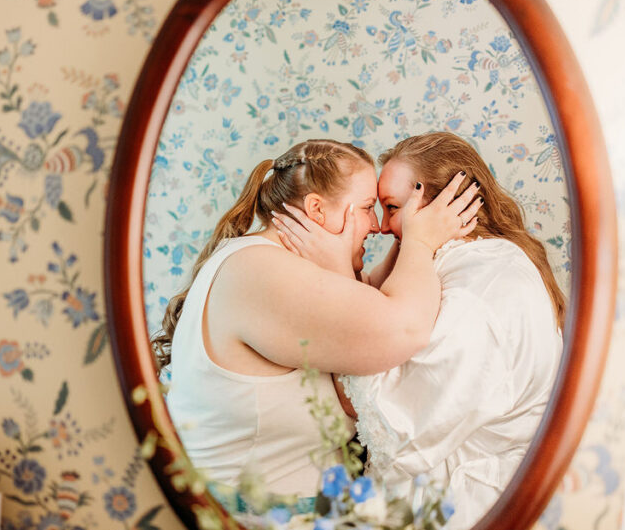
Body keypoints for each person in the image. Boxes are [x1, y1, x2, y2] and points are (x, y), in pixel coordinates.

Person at [153, 138, 480, 503]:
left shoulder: (271, 266)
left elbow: (366, 302)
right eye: (368, 208)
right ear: (317, 210)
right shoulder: (260, 272)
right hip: (252, 528)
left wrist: (409, 233)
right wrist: (419, 243)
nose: (375, 226)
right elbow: (404, 328)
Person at [273, 132, 565, 530]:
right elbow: (384, 313)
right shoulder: (456, 261)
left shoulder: (483, 291)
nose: (380, 226)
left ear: (443, 202)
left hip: (465, 520)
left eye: (391, 208)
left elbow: (390, 423)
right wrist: (409, 243)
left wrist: (336, 273)